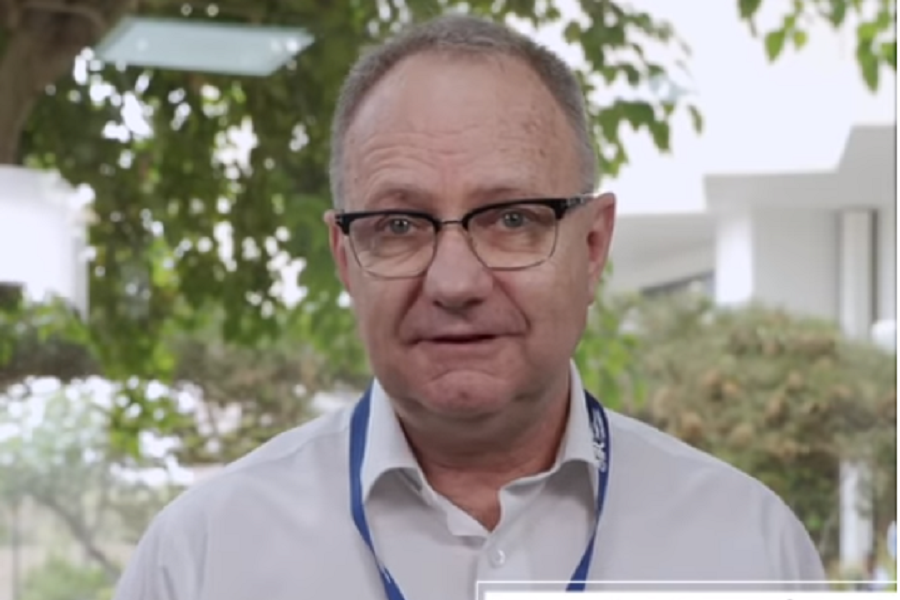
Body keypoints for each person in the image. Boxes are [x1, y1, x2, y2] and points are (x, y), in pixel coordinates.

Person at [112, 14, 826, 600]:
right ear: (345, 259)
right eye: (399, 225)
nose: (454, 283)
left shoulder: (750, 551)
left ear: (592, 246)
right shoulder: (201, 559)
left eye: (512, 219)